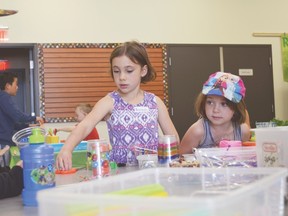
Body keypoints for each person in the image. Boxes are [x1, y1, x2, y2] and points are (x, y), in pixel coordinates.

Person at [56, 41, 179, 170]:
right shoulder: (109, 102)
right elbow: (84, 126)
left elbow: (174, 139)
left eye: (129, 70)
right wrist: (67, 149)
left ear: (143, 70)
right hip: (120, 171)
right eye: (116, 71)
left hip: (152, 169)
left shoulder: (155, 102)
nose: (122, 77)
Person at [179, 72, 250, 154]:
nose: (215, 110)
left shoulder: (242, 131)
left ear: (236, 107)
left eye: (224, 104)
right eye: (210, 102)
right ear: (203, 103)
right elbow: (180, 160)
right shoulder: (197, 131)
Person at [0, 71, 44, 167]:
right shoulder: (4, 97)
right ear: (8, 85)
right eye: (16, 84)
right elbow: (17, 115)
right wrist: (35, 118)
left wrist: (28, 126)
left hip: (4, 142)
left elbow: (11, 122)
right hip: (2, 144)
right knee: (3, 172)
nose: (17, 87)